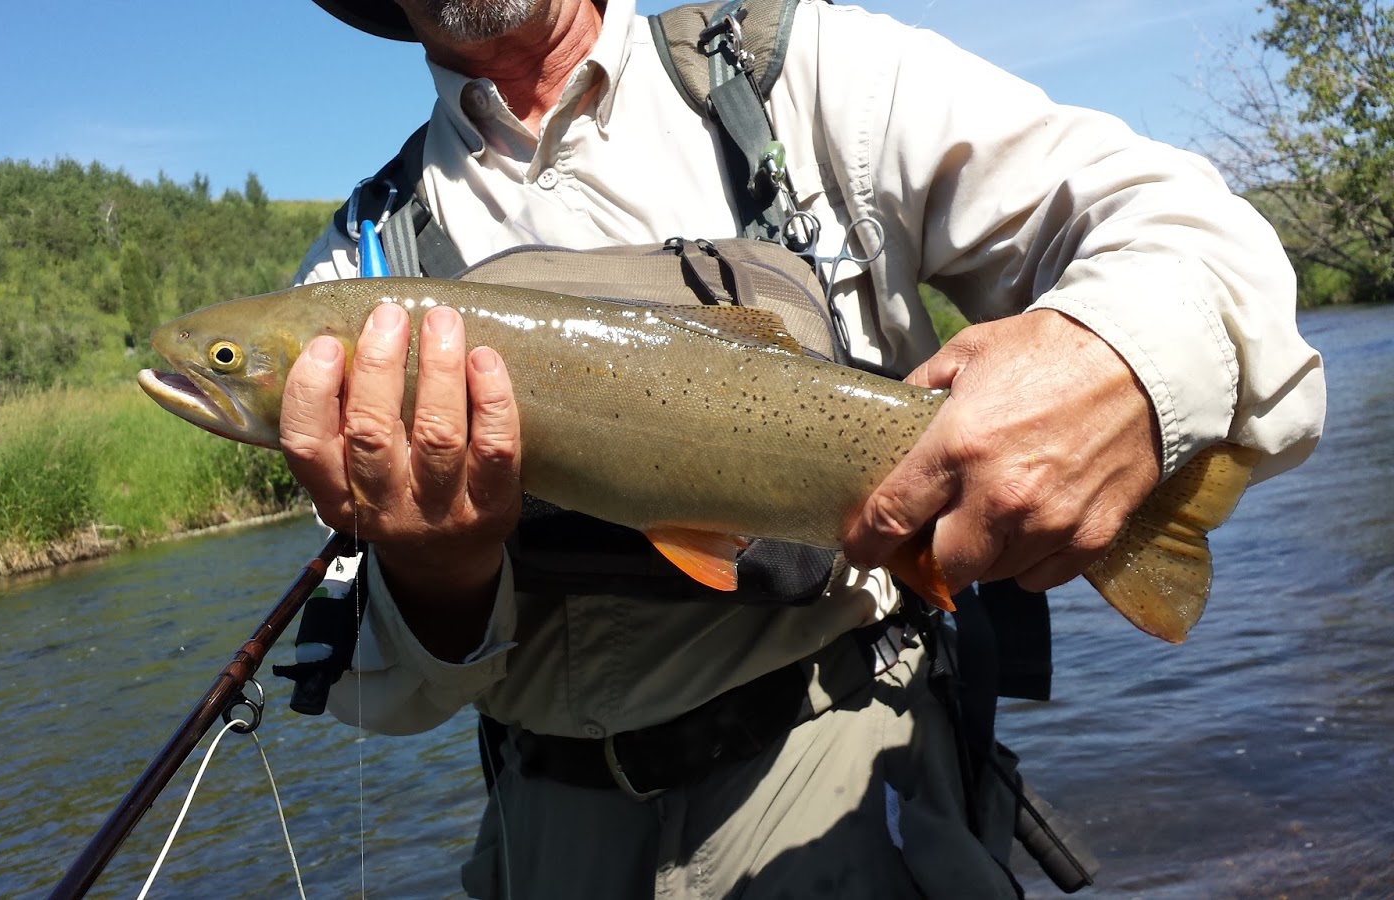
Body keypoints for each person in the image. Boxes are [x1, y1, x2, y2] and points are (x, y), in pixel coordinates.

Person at [281, 1, 1326, 896]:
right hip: (544, 836)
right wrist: (436, 566)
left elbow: (1183, 220)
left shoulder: (795, 76)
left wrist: (1121, 363)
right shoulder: (358, 263)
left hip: (850, 772)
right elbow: (386, 695)